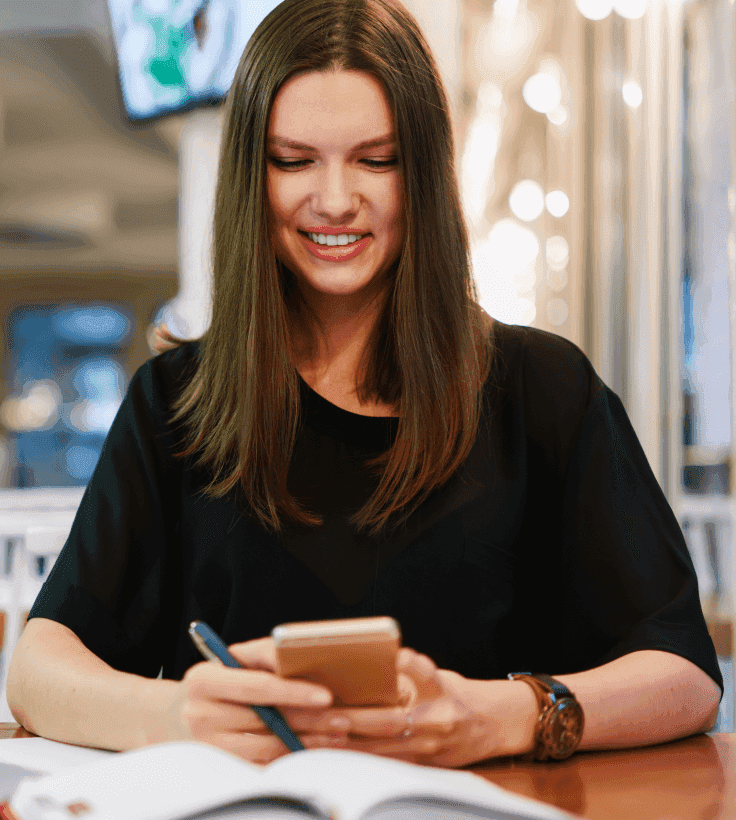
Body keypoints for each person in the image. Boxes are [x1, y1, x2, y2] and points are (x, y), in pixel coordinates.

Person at [8, 0, 722, 769]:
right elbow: (38, 669)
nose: (337, 199)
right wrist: (178, 712)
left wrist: (510, 714)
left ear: (422, 172)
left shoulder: (543, 390)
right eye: (294, 160)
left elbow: (683, 673)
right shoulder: (175, 402)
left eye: (376, 160)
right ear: (254, 175)